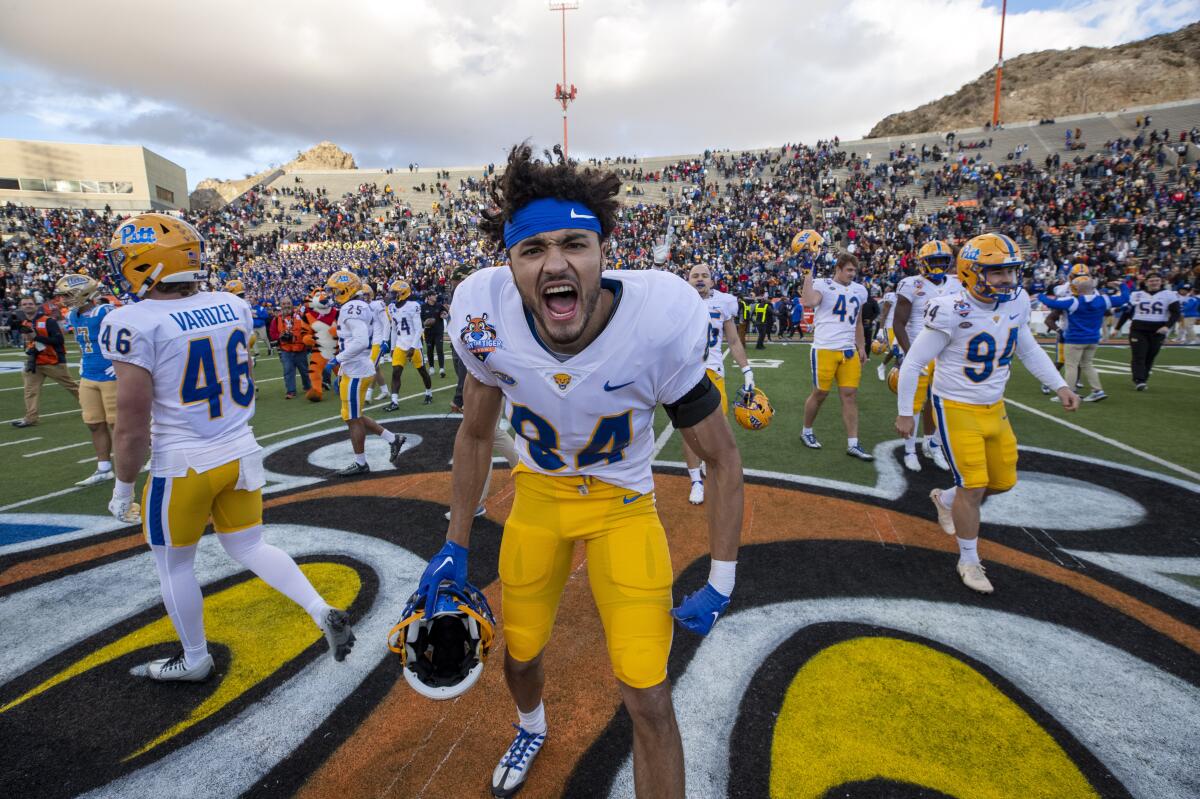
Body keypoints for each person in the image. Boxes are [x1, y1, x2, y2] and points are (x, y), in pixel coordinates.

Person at [425, 144, 743, 798]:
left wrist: (722, 577)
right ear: (508, 263)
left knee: (649, 696)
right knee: (521, 655)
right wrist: (455, 542)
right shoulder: (483, 314)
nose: (556, 262)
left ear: (604, 250)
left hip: (623, 505)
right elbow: (477, 431)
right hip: (538, 499)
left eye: (575, 242)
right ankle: (531, 723)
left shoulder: (657, 320)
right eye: (532, 249)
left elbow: (722, 455)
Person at [101, 212, 356, 682]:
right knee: (250, 545)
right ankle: (321, 610)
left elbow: (132, 424)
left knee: (173, 564)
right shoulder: (231, 304)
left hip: (183, 462)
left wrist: (121, 486)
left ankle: (195, 658)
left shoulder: (131, 321)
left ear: (147, 263)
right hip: (240, 449)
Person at [895, 233, 1080, 594]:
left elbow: (1027, 349)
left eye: (1010, 271)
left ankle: (945, 498)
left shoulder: (1017, 302)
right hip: (955, 406)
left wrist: (1059, 385)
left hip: (995, 406)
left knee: (1002, 482)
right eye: (996, 273)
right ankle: (968, 559)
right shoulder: (950, 308)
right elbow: (915, 361)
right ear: (970, 272)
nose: (1006, 280)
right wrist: (906, 413)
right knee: (974, 485)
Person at [682, 262, 754, 505]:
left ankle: (708, 465)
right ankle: (695, 481)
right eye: (695, 276)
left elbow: (733, 341)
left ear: (712, 281)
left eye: (704, 275)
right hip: (687, 373)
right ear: (688, 280)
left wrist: (747, 370)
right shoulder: (679, 300)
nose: (700, 279)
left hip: (713, 372)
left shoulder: (724, 302)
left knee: (718, 428)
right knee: (689, 431)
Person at [325, 269, 406, 476]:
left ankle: (361, 463)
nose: (333, 294)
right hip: (356, 369)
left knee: (352, 419)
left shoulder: (352, 307)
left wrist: (338, 359)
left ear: (346, 289)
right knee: (354, 416)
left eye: (336, 290)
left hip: (357, 371)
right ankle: (392, 438)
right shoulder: (358, 305)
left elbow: (360, 341)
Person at [891, 241, 959, 472]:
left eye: (942, 261)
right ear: (923, 263)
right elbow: (899, 323)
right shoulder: (911, 284)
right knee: (915, 404)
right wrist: (910, 355)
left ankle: (933, 445)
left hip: (946, 353)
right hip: (919, 351)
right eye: (934, 261)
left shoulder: (958, 284)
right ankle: (910, 450)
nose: (939, 266)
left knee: (939, 403)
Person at [800, 252, 873, 460]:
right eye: (848, 269)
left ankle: (853, 443)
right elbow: (809, 301)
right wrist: (807, 275)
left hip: (848, 350)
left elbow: (858, 322)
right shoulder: (823, 284)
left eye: (854, 270)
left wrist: (861, 346)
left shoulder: (859, 291)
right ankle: (806, 431)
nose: (852, 274)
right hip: (824, 349)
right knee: (820, 393)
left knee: (850, 395)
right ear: (838, 269)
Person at [55, 274, 118, 485]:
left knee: (118, 423)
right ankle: (104, 468)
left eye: (67, 295)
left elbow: (129, 338)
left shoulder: (105, 312)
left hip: (111, 373)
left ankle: (152, 455)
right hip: (88, 374)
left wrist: (118, 363)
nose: (63, 300)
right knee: (94, 422)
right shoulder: (74, 316)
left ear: (83, 292)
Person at [1038, 276, 1130, 402]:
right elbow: (1124, 298)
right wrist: (1122, 285)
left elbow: (1051, 303)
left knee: (1071, 366)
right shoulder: (1103, 299)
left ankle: (1069, 393)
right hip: (1093, 339)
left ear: (1076, 288)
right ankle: (1097, 390)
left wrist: (1040, 295)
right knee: (1087, 364)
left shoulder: (1074, 301)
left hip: (1074, 338)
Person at [13, 295, 79, 428]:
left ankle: (93, 406)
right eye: (25, 304)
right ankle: (31, 418)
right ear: (21, 307)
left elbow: (59, 341)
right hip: (34, 361)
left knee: (72, 387)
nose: (27, 306)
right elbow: (30, 343)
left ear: (36, 305)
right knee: (30, 391)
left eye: (30, 304)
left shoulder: (48, 321)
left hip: (53, 361)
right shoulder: (25, 323)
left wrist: (37, 337)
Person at [1118, 272, 1180, 390]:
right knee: (1139, 354)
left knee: (1150, 356)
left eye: (1157, 280)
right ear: (1146, 282)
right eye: (1151, 281)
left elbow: (1176, 312)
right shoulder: (1137, 294)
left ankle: (1143, 379)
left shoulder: (1169, 295)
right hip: (1138, 328)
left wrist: (1167, 326)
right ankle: (1139, 380)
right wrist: (1117, 328)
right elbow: (1127, 312)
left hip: (1158, 329)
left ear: (1161, 281)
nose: (1154, 282)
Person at [383, 279, 434, 410]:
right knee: (396, 372)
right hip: (400, 343)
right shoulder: (392, 308)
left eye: (395, 293)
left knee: (422, 371)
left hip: (414, 344)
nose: (392, 295)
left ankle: (429, 393)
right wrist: (393, 348)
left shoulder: (413, 306)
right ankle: (394, 401)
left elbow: (418, 329)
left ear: (403, 293)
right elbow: (394, 329)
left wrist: (413, 346)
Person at [270, 298, 313, 399]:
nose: (286, 305)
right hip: (286, 350)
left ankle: (307, 386)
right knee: (288, 370)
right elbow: (272, 333)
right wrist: (280, 336)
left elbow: (308, 329)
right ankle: (291, 391)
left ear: (292, 304)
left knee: (304, 370)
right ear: (281, 305)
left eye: (288, 303)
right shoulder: (276, 319)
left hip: (300, 348)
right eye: (284, 304)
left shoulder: (300, 316)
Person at [363, 284, 392, 401]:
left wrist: (385, 340)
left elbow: (386, 323)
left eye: (365, 294)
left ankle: (368, 394)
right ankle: (385, 391)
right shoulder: (361, 307)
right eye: (361, 295)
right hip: (368, 341)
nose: (363, 297)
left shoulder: (377, 305)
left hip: (378, 340)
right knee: (376, 367)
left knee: (372, 366)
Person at [422, 289, 448, 378]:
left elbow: (446, 313)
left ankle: (441, 368)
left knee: (440, 349)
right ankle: (431, 367)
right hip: (428, 332)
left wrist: (444, 315)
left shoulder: (439, 305)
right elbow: (420, 319)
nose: (435, 296)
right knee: (429, 350)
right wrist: (425, 323)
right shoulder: (423, 307)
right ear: (429, 297)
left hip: (438, 331)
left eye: (435, 295)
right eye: (433, 295)